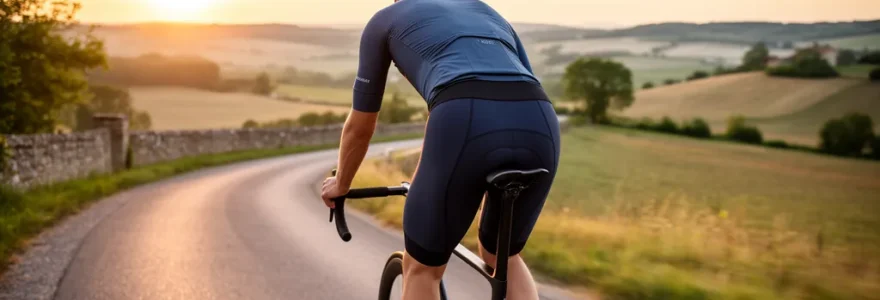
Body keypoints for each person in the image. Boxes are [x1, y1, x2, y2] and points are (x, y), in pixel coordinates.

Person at [320, 0, 560, 299]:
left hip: (462, 116)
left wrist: (341, 183)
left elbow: (361, 125)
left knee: (422, 267)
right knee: (502, 253)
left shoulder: (385, 20)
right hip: (539, 117)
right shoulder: (485, 10)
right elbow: (516, 80)